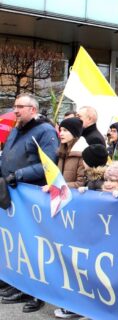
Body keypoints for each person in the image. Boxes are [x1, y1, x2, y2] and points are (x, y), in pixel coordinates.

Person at [0, 93, 59, 313]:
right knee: (15, 242)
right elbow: (7, 156)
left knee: (33, 245)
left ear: (33, 110)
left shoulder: (45, 131)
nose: (15, 110)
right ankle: (15, 282)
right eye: (14, 106)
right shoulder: (17, 128)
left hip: (32, 194)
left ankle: (35, 293)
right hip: (13, 193)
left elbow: (49, 163)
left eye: (20, 107)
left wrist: (19, 174)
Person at [51, 117, 88, 188]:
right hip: (61, 195)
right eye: (60, 130)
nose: (61, 133)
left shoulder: (82, 154)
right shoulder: (62, 151)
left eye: (65, 130)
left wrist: (58, 186)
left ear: (74, 133)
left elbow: (81, 183)